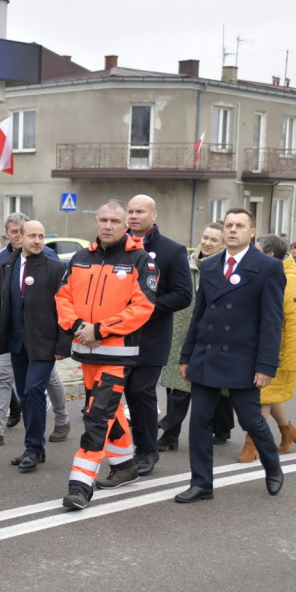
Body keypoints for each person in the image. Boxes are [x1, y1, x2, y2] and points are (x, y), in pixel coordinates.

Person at [177, 208, 286, 503]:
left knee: (251, 420)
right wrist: (186, 357)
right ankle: (201, 483)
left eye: (240, 225)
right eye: (229, 225)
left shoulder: (268, 268)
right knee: (199, 421)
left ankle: (272, 465)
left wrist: (266, 365)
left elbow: (272, 322)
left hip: (243, 358)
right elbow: (198, 315)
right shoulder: (211, 266)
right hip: (207, 355)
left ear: (252, 232)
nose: (233, 230)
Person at [56, 200, 156, 510]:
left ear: (126, 224)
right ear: (96, 221)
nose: (108, 225)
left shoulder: (140, 260)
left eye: (115, 220)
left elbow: (142, 307)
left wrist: (100, 330)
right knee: (106, 411)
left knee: (96, 416)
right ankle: (126, 465)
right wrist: (77, 326)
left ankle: (80, 486)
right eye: (103, 220)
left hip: (117, 354)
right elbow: (63, 297)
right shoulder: (81, 257)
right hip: (85, 352)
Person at [0, 220, 70, 473]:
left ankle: (33, 448)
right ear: (20, 236)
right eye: (33, 236)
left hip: (44, 344)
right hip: (16, 342)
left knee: (32, 391)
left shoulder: (55, 267)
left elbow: (66, 308)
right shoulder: (7, 264)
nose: (38, 241)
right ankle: (35, 448)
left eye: (41, 236)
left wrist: (64, 344)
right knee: (26, 393)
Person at [123, 194, 193, 476]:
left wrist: (146, 309)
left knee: (142, 391)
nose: (134, 216)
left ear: (154, 215)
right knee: (127, 393)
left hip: (151, 336)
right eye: (130, 211)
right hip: (118, 334)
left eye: (140, 211)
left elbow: (183, 295)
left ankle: (147, 451)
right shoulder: (116, 247)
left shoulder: (171, 250)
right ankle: (130, 449)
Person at [157, 222, 232, 451]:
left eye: (213, 240)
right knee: (178, 386)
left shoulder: (226, 270)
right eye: (205, 238)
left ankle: (223, 428)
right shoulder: (186, 264)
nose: (207, 243)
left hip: (214, 336)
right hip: (181, 333)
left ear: (223, 244)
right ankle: (170, 434)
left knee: (219, 390)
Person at [238, 234, 296, 462]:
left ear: (269, 255)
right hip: (260, 344)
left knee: (264, 395)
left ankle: (252, 443)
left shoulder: (290, 279)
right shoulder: (266, 271)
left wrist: (287, 357)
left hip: (277, 350)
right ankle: (288, 431)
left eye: (256, 250)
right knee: (270, 393)